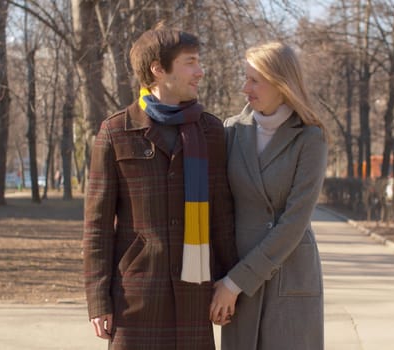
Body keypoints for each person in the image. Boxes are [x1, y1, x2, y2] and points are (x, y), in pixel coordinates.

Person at [83, 23, 237, 350]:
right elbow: (97, 227)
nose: (200, 71)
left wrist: (230, 284)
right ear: (158, 69)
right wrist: (98, 300)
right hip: (135, 297)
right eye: (190, 62)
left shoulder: (210, 132)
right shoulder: (115, 132)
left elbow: (222, 216)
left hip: (194, 297)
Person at [209, 42, 328, 349]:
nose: (244, 88)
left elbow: (294, 222)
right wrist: (222, 279)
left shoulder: (310, 138)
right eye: (244, 77)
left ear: (280, 83)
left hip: (288, 275)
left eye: (254, 80)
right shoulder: (231, 131)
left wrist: (235, 283)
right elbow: (221, 211)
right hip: (238, 276)